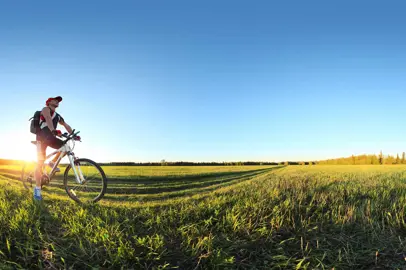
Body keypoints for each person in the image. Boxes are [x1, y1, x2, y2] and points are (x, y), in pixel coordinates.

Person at [34, 96, 80, 200]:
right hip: (41, 138)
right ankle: (37, 190)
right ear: (49, 102)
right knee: (40, 163)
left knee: (65, 146)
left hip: (50, 137)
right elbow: (48, 119)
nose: (57, 102)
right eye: (55, 100)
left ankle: (52, 162)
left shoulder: (58, 116)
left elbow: (66, 125)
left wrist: (73, 134)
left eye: (58, 101)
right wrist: (53, 130)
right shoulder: (45, 109)